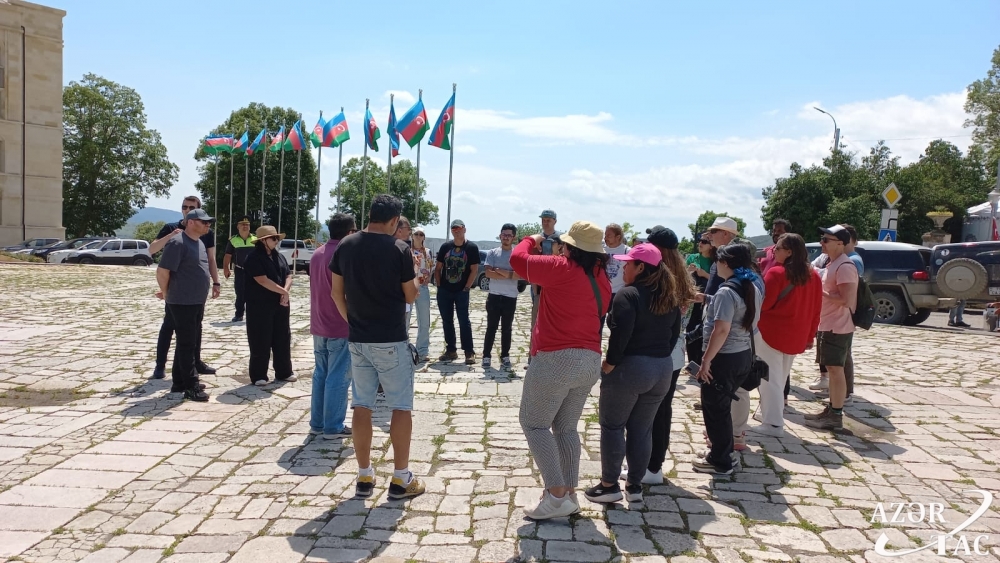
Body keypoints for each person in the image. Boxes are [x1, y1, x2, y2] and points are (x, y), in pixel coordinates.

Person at [510, 220, 611, 520]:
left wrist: (531, 239)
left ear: (570, 248)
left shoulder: (560, 267)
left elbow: (517, 260)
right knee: (566, 428)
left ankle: (555, 496)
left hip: (556, 359)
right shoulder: (601, 278)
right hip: (589, 360)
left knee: (534, 424)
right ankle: (568, 494)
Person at [330, 194, 423, 500]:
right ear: (395, 221)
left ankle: (364, 475)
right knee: (401, 406)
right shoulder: (399, 249)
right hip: (391, 339)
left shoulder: (346, 245)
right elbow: (410, 295)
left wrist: (353, 322)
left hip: (359, 339)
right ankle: (401, 477)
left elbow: (336, 293)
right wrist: (417, 275)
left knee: (362, 405)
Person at [584, 244, 680, 504]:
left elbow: (621, 335)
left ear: (640, 267)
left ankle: (609, 485)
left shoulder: (627, 295)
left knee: (613, 426)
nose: (623, 268)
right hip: (661, 369)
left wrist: (609, 364)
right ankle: (634, 486)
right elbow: (673, 336)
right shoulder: (669, 297)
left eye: (628, 264)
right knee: (642, 429)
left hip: (631, 369)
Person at [694, 243, 761, 475]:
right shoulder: (750, 286)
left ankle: (720, 460)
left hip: (724, 357)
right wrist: (707, 299)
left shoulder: (726, 291)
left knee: (715, 410)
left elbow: (721, 330)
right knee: (722, 408)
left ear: (724, 263)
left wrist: (706, 361)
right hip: (743, 354)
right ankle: (723, 452)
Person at [752, 233, 821, 437]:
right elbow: (816, 309)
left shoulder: (776, 273)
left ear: (789, 252)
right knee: (779, 377)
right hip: (797, 334)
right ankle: (768, 413)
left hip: (771, 332)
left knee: (769, 379)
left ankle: (773, 424)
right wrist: (810, 335)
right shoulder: (814, 276)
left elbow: (764, 305)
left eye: (778, 248)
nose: (774, 251)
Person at [644, 227, 696, 484]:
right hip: (675, 352)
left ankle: (651, 465)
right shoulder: (683, 278)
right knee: (663, 409)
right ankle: (654, 465)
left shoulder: (661, 279)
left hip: (657, 351)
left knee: (650, 411)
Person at [149, 196, 220, 380]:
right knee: (169, 327)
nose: (187, 209)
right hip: (176, 291)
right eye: (184, 207)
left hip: (194, 292)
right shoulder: (171, 228)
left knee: (194, 330)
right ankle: (160, 365)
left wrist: (216, 281)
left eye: (191, 207)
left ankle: (193, 364)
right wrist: (170, 236)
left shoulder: (205, 232)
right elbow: (152, 250)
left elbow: (210, 259)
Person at [804, 225, 858, 431]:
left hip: (837, 327)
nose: (822, 243)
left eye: (826, 240)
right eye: (822, 238)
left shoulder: (845, 266)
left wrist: (820, 291)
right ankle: (832, 410)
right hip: (829, 325)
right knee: (833, 369)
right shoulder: (833, 263)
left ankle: (835, 415)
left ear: (840, 244)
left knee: (836, 371)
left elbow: (846, 300)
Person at [309, 213, 357, 438]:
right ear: (349, 232)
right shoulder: (345, 254)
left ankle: (317, 422)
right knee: (339, 376)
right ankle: (333, 425)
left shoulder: (317, 253)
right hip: (340, 323)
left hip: (319, 323)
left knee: (321, 374)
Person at [243, 225, 296, 386]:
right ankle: (259, 375)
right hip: (260, 305)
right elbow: (262, 280)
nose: (277, 241)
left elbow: (288, 275)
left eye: (277, 238)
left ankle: (284, 371)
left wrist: (284, 292)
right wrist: (283, 292)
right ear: (263, 240)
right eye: (274, 238)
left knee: (282, 337)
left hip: (280, 303)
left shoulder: (279, 256)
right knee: (260, 338)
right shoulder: (253, 258)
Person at [434, 219, 480, 365]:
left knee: (464, 321)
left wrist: (467, 287)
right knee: (447, 321)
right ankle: (451, 350)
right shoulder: (445, 247)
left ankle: (469, 352)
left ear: (464, 229)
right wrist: (439, 286)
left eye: (459, 228)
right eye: (454, 229)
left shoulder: (471, 247)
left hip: (461, 291)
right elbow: (438, 268)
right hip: (445, 290)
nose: (457, 231)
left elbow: (474, 270)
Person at [481, 223, 521, 370]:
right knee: (491, 327)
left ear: (514, 238)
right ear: (500, 236)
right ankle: (486, 355)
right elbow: (488, 273)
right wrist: (509, 274)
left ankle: (505, 355)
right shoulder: (492, 253)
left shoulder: (517, 254)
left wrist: (499, 271)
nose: (506, 237)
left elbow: (519, 275)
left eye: (509, 235)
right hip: (494, 295)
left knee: (507, 328)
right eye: (504, 234)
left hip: (510, 296)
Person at [528, 209, 562, 366]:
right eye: (543, 219)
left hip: (555, 289)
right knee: (535, 324)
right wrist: (535, 288)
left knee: (554, 325)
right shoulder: (536, 239)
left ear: (555, 221)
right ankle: (532, 357)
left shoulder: (562, 239)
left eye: (548, 220)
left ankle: (552, 357)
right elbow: (532, 264)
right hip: (538, 287)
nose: (545, 222)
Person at [685, 232, 715, 366]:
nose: (700, 243)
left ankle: (701, 361)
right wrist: (689, 271)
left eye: (704, 241)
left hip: (707, 299)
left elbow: (717, 279)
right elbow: (683, 276)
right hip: (693, 298)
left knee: (704, 330)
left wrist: (704, 274)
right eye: (699, 240)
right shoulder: (692, 257)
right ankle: (692, 362)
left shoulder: (715, 261)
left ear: (711, 245)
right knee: (690, 328)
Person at [222, 216, 257, 323]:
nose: (245, 226)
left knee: (254, 293)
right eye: (242, 224)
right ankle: (239, 314)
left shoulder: (256, 239)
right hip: (240, 270)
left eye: (247, 225)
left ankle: (254, 315)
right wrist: (226, 268)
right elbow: (228, 255)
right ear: (238, 227)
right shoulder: (233, 240)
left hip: (254, 271)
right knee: (240, 293)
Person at [601, 223, 631, 333]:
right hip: (602, 291)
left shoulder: (627, 251)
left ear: (618, 237)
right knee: (597, 325)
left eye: (609, 235)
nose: (605, 238)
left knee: (616, 325)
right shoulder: (601, 249)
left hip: (618, 293)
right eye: (605, 235)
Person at [410, 227, 434, 362]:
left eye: (421, 234)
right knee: (405, 319)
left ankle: (422, 350)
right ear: (412, 236)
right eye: (416, 234)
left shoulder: (428, 252)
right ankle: (404, 349)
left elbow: (431, 267)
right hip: (409, 287)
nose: (419, 236)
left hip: (422, 287)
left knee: (424, 320)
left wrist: (428, 277)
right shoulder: (407, 250)